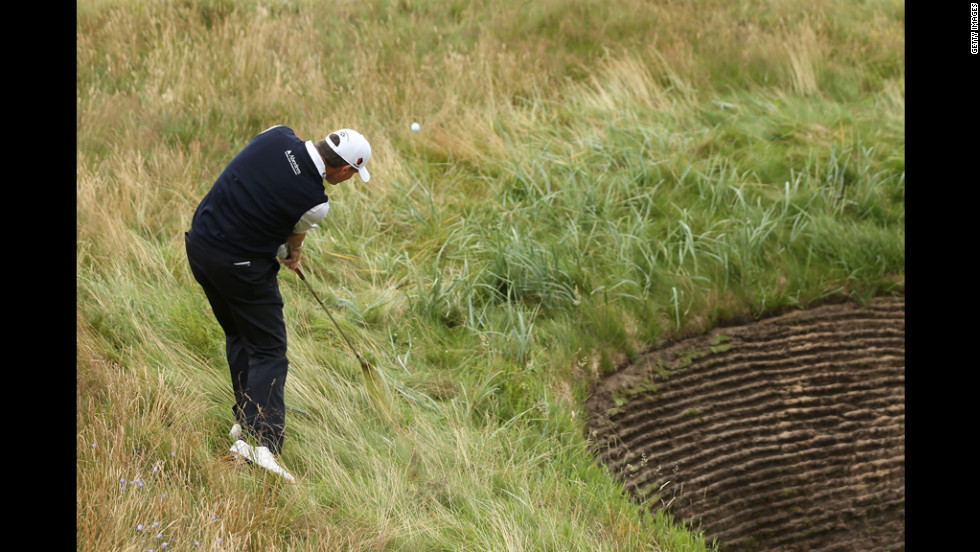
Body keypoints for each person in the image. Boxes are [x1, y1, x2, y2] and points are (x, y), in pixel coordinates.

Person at [185, 125, 372, 481]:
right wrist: (294, 252)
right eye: (353, 174)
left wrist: (283, 246)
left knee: (240, 334)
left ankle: (245, 421)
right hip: (240, 266)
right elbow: (293, 236)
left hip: (200, 246)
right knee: (269, 349)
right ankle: (261, 443)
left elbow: (262, 183)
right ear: (345, 170)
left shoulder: (276, 134)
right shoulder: (316, 202)